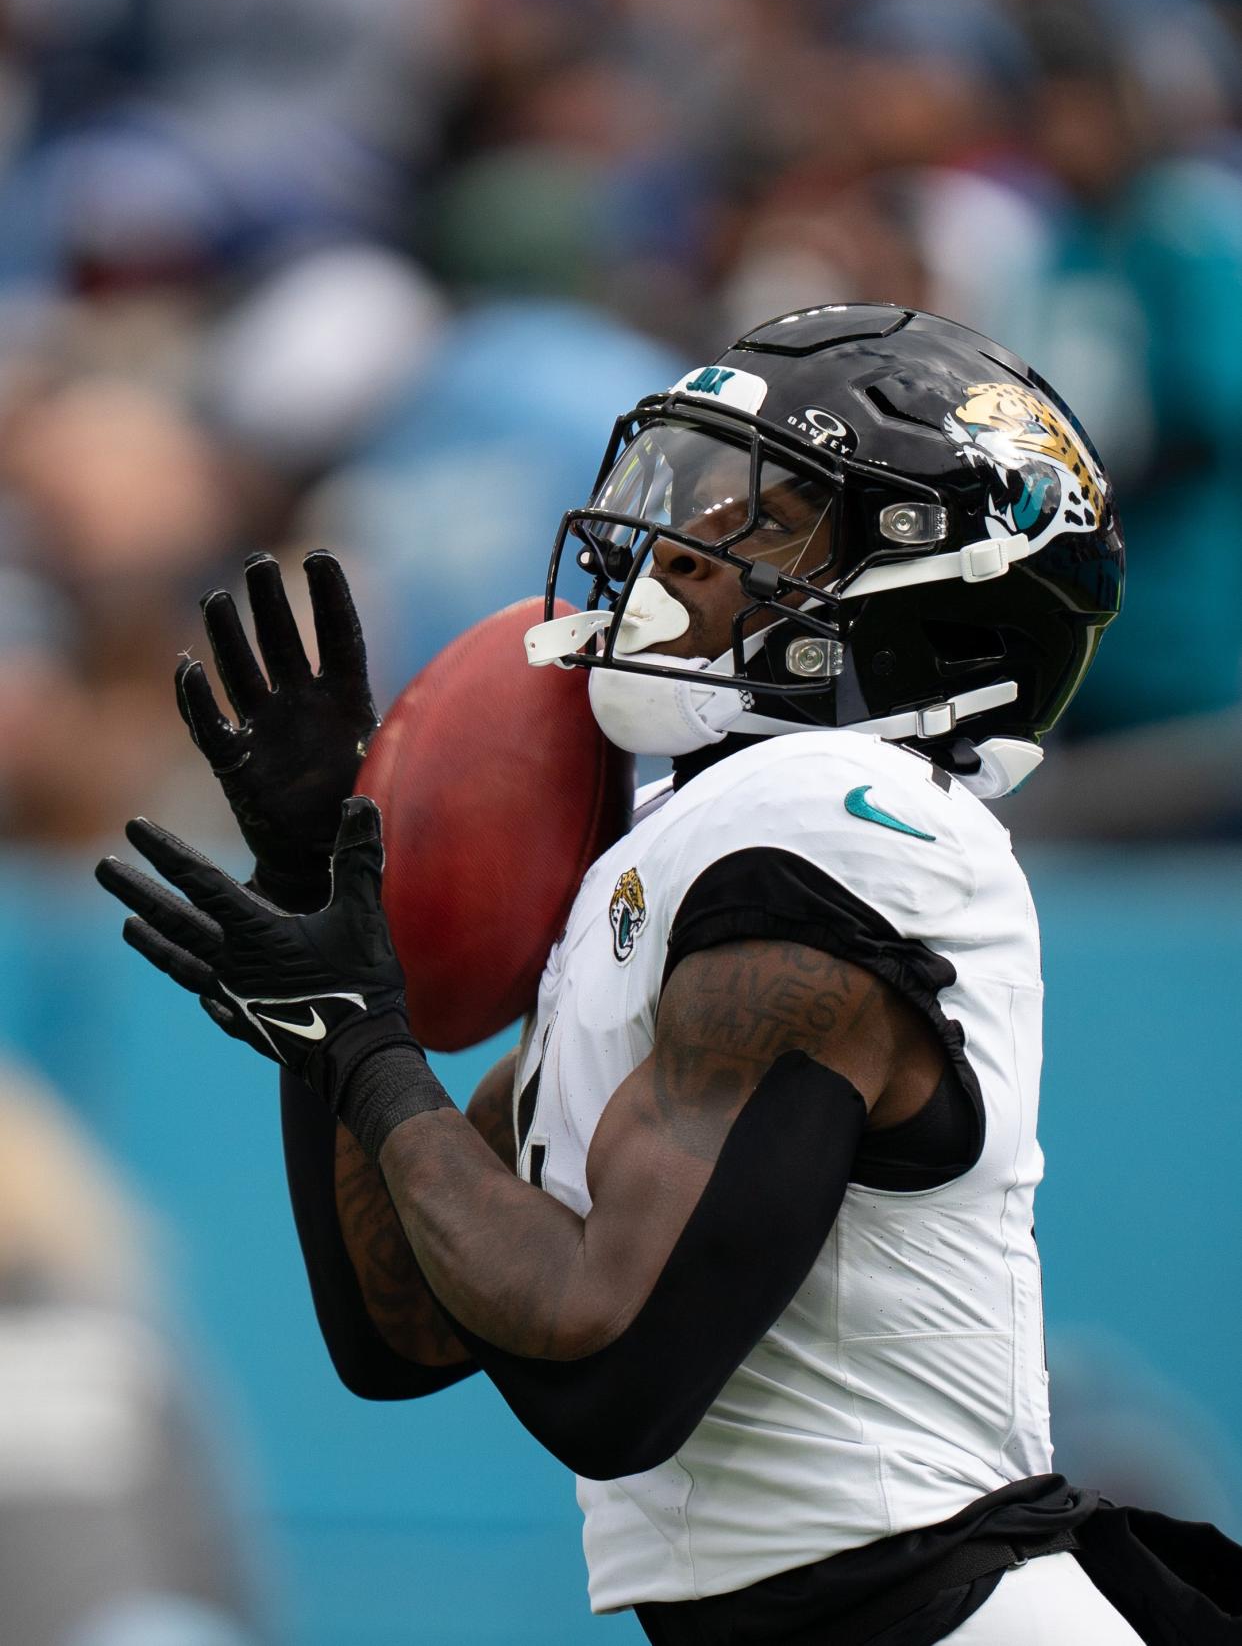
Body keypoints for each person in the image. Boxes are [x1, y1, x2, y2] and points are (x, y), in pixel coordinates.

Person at [97, 306, 1231, 1643]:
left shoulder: (832, 815)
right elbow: (402, 1318)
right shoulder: (682, 856)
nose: (673, 549)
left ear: (927, 578)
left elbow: (615, 1373)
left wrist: (363, 1044)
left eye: (760, 517)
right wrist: (319, 940)